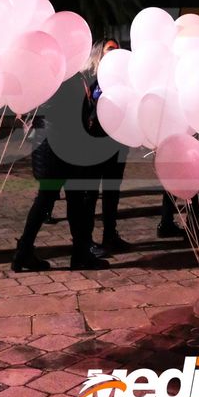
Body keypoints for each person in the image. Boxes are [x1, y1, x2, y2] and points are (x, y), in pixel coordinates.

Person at [12, 74, 108, 272]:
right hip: (65, 146)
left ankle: (23, 252)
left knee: (47, 200)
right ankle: (79, 254)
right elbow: (76, 113)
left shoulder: (48, 78)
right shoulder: (67, 78)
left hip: (49, 145)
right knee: (74, 201)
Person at [81, 39, 131, 251]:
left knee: (112, 190)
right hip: (94, 142)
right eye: (110, 48)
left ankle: (110, 235)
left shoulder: (125, 79)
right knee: (90, 193)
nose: (115, 52)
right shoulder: (90, 78)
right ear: (100, 54)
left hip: (117, 143)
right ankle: (86, 240)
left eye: (117, 49)